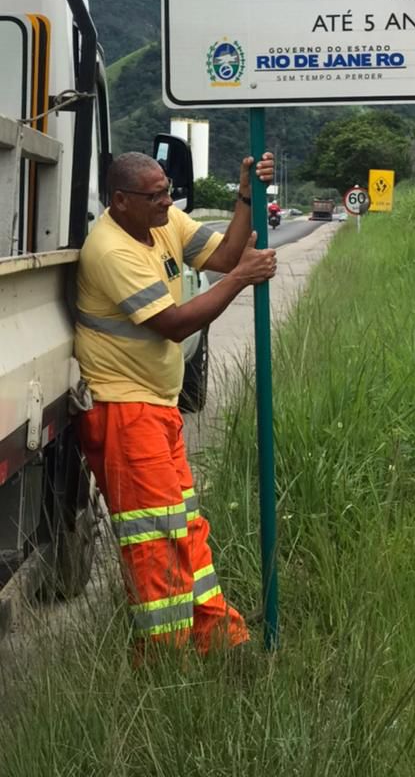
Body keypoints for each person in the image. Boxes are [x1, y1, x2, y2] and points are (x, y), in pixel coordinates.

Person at [74, 149, 278, 659]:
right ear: (121, 201)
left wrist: (246, 197)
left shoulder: (164, 222)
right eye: (155, 195)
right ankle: (166, 660)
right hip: (125, 413)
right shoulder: (109, 249)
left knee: (185, 528)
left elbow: (227, 256)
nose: (167, 200)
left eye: (167, 190)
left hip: (157, 410)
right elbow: (174, 324)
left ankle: (217, 639)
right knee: (155, 542)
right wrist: (239, 281)